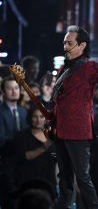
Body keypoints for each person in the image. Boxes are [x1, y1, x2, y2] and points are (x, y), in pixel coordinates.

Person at [51, 25, 98, 209]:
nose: (65, 47)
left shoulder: (90, 67)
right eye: (64, 43)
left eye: (69, 43)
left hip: (78, 133)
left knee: (83, 178)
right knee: (64, 179)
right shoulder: (62, 70)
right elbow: (58, 101)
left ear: (82, 45)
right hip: (59, 131)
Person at [0, 76, 28, 209]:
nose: (14, 91)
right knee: (9, 201)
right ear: (3, 92)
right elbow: (1, 140)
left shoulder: (24, 112)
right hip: (6, 163)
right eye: (9, 88)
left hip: (24, 164)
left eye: (16, 88)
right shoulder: (0, 112)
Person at [13, 107, 56, 190]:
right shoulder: (22, 135)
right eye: (35, 117)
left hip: (49, 180)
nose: (38, 120)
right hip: (28, 179)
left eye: (41, 117)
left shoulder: (50, 134)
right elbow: (24, 156)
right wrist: (43, 148)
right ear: (30, 118)